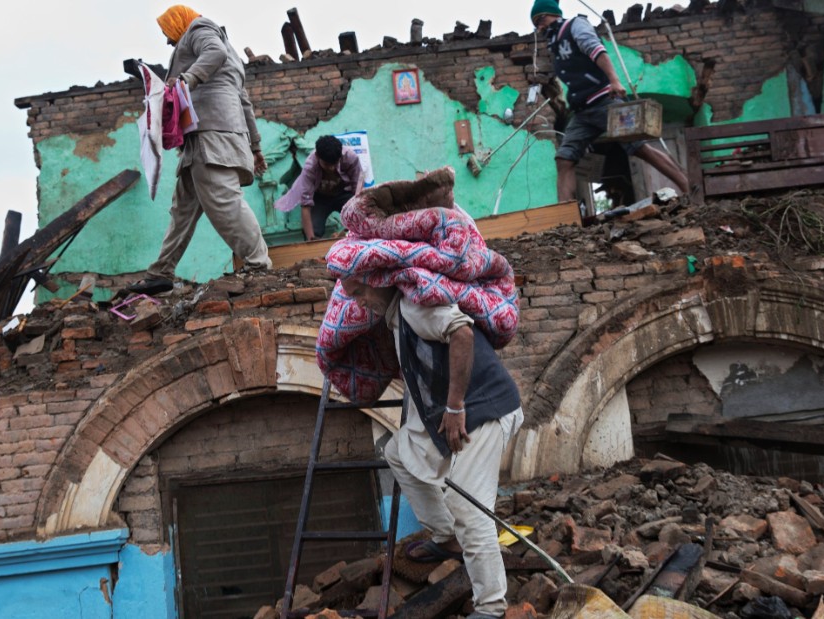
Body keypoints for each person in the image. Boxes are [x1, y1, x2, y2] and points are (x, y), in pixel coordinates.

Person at [339, 278, 524, 619]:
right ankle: (446, 537)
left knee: (467, 504)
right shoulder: (398, 316)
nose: (360, 303)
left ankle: (492, 606)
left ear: (379, 281)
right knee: (398, 451)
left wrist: (454, 407)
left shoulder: (415, 305)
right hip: (464, 409)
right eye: (353, 297)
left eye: (361, 292)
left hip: (487, 407)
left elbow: (462, 334)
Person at [126, 5, 271, 296]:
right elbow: (244, 103)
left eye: (167, 33)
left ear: (178, 23)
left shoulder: (199, 29)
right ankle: (161, 272)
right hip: (207, 136)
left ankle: (259, 265)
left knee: (224, 201)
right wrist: (255, 146)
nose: (168, 41)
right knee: (182, 210)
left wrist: (185, 80)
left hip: (211, 133)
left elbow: (212, 53)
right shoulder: (232, 57)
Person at [531, 0, 690, 203]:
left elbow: (596, 50)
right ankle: (566, 216)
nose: (539, 27)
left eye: (541, 19)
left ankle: (688, 187)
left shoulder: (575, 25)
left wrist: (615, 81)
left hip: (603, 100)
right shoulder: (554, 43)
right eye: (536, 23)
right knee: (564, 159)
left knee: (639, 148)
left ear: (552, 13)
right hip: (581, 111)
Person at [274, 135, 364, 241]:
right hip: (320, 198)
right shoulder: (310, 167)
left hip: (344, 194)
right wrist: (311, 240)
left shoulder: (350, 157)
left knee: (362, 218)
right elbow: (305, 205)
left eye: (334, 164)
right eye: (326, 164)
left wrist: (352, 225)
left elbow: (358, 191)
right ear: (317, 156)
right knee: (314, 230)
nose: (331, 168)